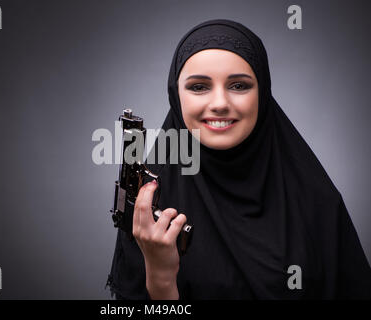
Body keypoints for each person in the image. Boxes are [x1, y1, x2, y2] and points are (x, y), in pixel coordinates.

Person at [106, 19, 371, 299]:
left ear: (262, 93)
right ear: (176, 95)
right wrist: (160, 277)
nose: (220, 103)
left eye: (239, 86)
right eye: (198, 87)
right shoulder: (150, 201)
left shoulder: (316, 201)